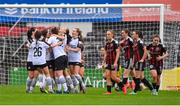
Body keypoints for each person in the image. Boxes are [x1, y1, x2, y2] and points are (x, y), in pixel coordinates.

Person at [130, 31, 154, 95]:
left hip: (140, 62)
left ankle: (135, 91)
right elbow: (135, 54)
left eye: (133, 34)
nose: (132, 35)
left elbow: (145, 51)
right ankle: (152, 89)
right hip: (137, 61)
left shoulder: (140, 42)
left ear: (137, 35)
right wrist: (133, 62)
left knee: (137, 76)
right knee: (142, 77)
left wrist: (142, 59)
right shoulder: (135, 43)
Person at [104, 30, 126, 95]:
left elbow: (118, 52)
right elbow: (106, 53)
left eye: (109, 34)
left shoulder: (115, 42)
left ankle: (123, 86)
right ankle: (109, 91)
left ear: (112, 35)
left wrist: (116, 62)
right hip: (108, 62)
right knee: (107, 75)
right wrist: (103, 62)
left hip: (114, 62)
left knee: (113, 77)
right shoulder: (107, 43)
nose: (107, 35)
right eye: (107, 34)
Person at [47, 27, 69, 94]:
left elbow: (47, 45)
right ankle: (59, 90)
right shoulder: (63, 37)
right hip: (64, 56)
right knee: (57, 74)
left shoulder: (52, 38)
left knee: (60, 74)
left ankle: (65, 89)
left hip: (59, 57)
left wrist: (51, 46)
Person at [66, 28, 86, 93]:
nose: (73, 32)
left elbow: (77, 50)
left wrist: (69, 48)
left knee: (76, 74)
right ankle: (76, 87)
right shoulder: (70, 39)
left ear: (77, 33)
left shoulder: (79, 40)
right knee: (72, 75)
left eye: (74, 31)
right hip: (70, 59)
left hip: (77, 59)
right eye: (72, 31)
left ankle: (82, 84)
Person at [25, 27, 39, 93]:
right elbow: (29, 46)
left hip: (38, 60)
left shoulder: (39, 39)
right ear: (32, 32)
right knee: (31, 76)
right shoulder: (29, 40)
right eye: (36, 31)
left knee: (36, 76)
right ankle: (27, 88)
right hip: (30, 60)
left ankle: (31, 89)